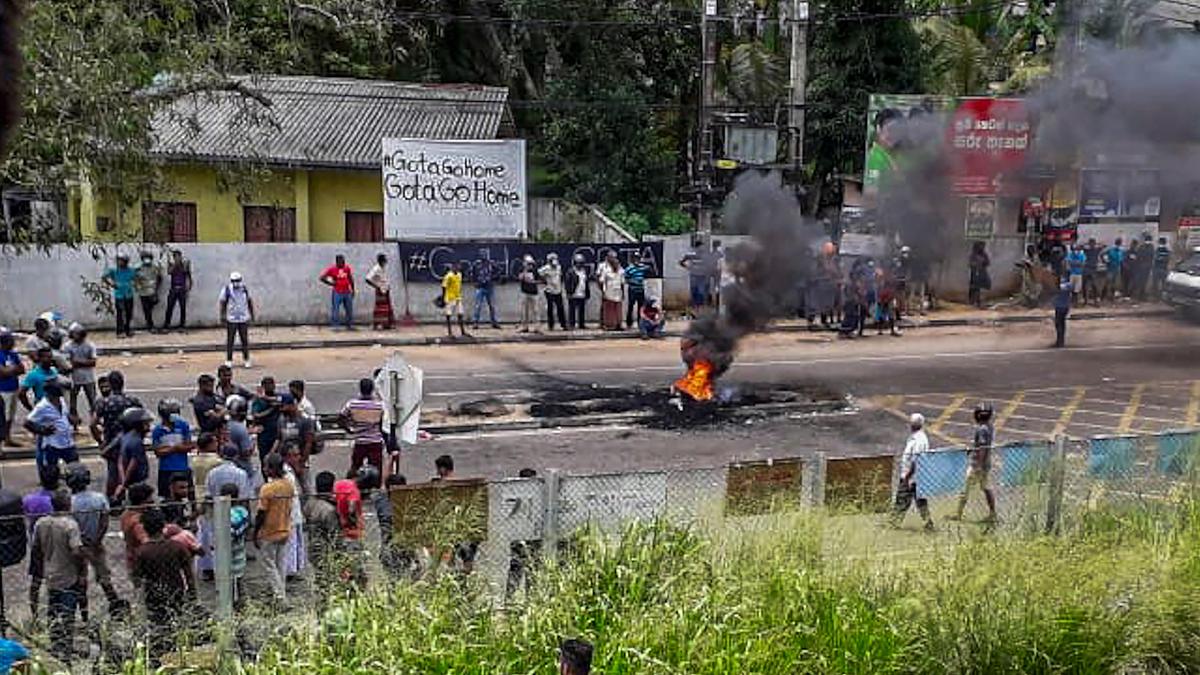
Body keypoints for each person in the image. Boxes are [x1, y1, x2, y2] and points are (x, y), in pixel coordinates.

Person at [132, 506, 197, 661]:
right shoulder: (177, 547)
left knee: (159, 625)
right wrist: (193, 593)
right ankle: (179, 652)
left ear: (145, 529)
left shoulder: (142, 552)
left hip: (153, 594)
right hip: (176, 591)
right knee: (179, 622)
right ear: (163, 526)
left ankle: (161, 654)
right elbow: (188, 573)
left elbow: (137, 578)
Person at [66, 465, 128, 621]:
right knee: (104, 577)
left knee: (81, 580)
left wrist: (83, 540)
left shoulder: (70, 502)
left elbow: (71, 526)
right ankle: (115, 605)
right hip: (96, 543)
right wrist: (97, 539)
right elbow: (104, 521)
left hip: (79, 545)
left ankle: (84, 615)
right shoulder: (99, 498)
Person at [29, 488, 84, 662]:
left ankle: (55, 645)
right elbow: (76, 551)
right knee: (67, 613)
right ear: (68, 504)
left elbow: (36, 548)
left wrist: (38, 570)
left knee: (53, 611)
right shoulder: (70, 525)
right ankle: (66, 649)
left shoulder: (41, 523)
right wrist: (81, 571)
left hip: (50, 573)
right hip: (68, 574)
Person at [199, 440, 252, 581]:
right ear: (236, 456)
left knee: (217, 547)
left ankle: (218, 575)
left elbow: (208, 496)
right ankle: (235, 578)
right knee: (236, 548)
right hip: (237, 514)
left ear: (221, 455)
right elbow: (244, 498)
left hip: (216, 513)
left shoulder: (212, 473)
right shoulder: (241, 474)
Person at [90, 370, 142, 501]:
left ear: (111, 385)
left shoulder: (103, 402)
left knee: (113, 474)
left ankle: (112, 501)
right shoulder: (132, 400)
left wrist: (100, 441)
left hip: (111, 444)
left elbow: (92, 424)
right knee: (132, 473)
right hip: (130, 443)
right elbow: (143, 418)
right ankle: (134, 499)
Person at [253, 453, 294, 601]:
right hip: (284, 528)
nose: (264, 469)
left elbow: (261, 512)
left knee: (270, 566)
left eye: (266, 466)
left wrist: (255, 532)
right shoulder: (288, 485)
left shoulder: (267, 489)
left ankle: (280, 596)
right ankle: (280, 592)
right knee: (280, 565)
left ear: (271, 469)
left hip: (269, 532)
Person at [953, 402, 997, 525]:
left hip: (978, 464)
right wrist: (973, 450)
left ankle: (958, 514)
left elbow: (982, 448)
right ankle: (993, 513)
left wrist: (978, 465)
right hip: (986, 463)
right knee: (986, 488)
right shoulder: (989, 426)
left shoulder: (981, 429)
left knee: (965, 489)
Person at [890, 413, 933, 531]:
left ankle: (893, 522)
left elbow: (916, 460)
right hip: (914, 476)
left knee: (902, 499)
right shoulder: (915, 437)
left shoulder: (919, 439)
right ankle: (928, 523)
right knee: (920, 501)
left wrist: (907, 477)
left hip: (912, 476)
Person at [24, 380, 76, 474]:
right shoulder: (42, 407)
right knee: (51, 471)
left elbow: (65, 415)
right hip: (52, 445)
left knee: (75, 468)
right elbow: (27, 423)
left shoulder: (61, 401)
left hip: (67, 442)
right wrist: (42, 430)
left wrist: (71, 419)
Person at [304, 471, 342, 593]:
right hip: (325, 550)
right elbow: (334, 534)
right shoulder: (329, 510)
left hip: (313, 547)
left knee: (320, 578)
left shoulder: (310, 503)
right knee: (328, 580)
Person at [151, 398, 194, 501]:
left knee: (189, 494)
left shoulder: (183, 426)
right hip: (166, 470)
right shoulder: (158, 430)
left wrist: (169, 449)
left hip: (182, 468)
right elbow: (158, 452)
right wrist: (175, 448)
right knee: (167, 498)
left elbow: (189, 446)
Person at [341, 378, 385, 474]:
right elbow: (384, 422)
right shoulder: (380, 405)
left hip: (360, 441)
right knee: (376, 468)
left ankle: (353, 485)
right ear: (372, 389)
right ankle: (376, 486)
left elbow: (341, 417)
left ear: (360, 389)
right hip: (375, 441)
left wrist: (349, 429)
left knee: (356, 466)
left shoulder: (352, 404)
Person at [218, 482, 251, 608]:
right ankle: (242, 604)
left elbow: (228, 536)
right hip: (240, 553)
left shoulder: (226, 515)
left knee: (229, 585)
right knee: (239, 581)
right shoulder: (243, 511)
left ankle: (231, 605)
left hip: (229, 556)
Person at [274, 394, 315, 491]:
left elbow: (308, 443)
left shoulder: (305, 420)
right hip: (285, 460)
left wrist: (301, 462)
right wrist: (272, 454)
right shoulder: (281, 420)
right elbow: (279, 439)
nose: (281, 409)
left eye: (283, 407)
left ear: (292, 405)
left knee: (306, 488)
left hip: (299, 458)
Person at [280, 443, 308, 579]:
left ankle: (293, 568)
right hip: (289, 514)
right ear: (287, 457)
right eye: (295, 455)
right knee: (291, 543)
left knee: (296, 542)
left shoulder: (291, 472)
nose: (298, 458)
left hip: (295, 513)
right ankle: (289, 570)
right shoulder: (286, 475)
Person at [116, 406, 154, 501]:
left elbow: (120, 460)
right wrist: (123, 484)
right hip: (137, 481)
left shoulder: (125, 437)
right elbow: (133, 464)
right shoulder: (136, 442)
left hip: (129, 481)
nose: (148, 427)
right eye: (146, 424)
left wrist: (122, 480)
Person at [219, 271, 255, 369]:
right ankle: (229, 360)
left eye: (238, 280)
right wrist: (222, 315)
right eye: (234, 281)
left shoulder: (245, 289)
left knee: (244, 340)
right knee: (230, 340)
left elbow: (249, 301)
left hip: (243, 318)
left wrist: (252, 315)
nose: (236, 283)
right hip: (232, 318)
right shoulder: (227, 289)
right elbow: (222, 302)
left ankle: (246, 359)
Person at [64, 324, 97, 425]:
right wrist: (84, 362)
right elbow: (69, 363)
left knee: (93, 401)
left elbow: (93, 362)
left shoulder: (90, 345)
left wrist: (77, 362)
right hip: (74, 378)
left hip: (88, 378)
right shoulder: (68, 346)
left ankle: (95, 420)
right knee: (72, 402)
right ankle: (74, 422)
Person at [119, 483, 153, 572]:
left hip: (131, 556)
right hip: (142, 560)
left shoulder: (126, 514)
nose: (152, 501)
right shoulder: (138, 521)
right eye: (150, 498)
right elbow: (145, 541)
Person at [103, 253, 137, 338]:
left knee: (129, 313)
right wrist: (112, 284)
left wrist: (133, 284)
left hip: (129, 294)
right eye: (118, 260)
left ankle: (127, 330)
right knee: (120, 314)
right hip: (119, 295)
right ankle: (119, 331)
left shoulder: (131, 270)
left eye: (121, 260)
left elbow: (136, 279)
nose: (120, 262)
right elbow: (104, 277)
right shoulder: (114, 270)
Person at [0, 328, 23, 448]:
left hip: (13, 388)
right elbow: (2, 373)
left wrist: (10, 370)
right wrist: (13, 369)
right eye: (10, 340)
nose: (13, 343)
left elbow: (22, 369)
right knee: (3, 416)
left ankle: (8, 437)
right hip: (2, 390)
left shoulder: (13, 354)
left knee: (11, 416)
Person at [250, 376, 281, 465]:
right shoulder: (258, 400)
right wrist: (271, 410)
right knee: (265, 459)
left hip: (277, 433)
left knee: (278, 458)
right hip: (264, 434)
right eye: (267, 385)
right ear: (263, 386)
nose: (270, 387)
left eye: (272, 384)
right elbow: (256, 415)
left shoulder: (277, 397)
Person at [320, 254, 356, 330]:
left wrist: (353, 289)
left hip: (347, 291)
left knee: (349, 309)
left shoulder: (347, 268)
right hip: (337, 292)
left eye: (344, 261)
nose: (343, 263)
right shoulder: (332, 269)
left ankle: (349, 325)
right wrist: (331, 284)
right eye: (341, 261)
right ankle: (335, 326)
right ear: (337, 262)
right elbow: (322, 278)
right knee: (335, 309)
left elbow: (350, 279)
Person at [681, 237, 714, 316]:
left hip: (702, 277)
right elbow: (681, 262)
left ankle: (700, 311)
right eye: (701, 247)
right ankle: (695, 311)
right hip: (694, 276)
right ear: (697, 247)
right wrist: (688, 268)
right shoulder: (690, 255)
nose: (702, 248)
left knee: (701, 294)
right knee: (694, 293)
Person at [163, 249, 193, 332]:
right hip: (173, 288)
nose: (177, 258)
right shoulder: (171, 265)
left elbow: (188, 274)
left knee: (183, 308)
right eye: (175, 256)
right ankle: (166, 325)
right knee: (169, 307)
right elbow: (169, 272)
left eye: (178, 256)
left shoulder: (184, 264)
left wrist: (189, 286)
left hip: (182, 289)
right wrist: (175, 264)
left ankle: (182, 325)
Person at [134, 250, 163, 332]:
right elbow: (134, 279)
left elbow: (160, 278)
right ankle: (150, 326)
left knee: (150, 307)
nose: (147, 259)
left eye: (148, 257)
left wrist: (156, 289)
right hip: (143, 292)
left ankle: (150, 325)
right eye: (145, 257)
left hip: (152, 291)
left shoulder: (155, 267)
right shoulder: (138, 268)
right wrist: (137, 286)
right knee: (146, 309)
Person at [470, 258, 502, 329]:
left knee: (492, 305)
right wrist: (474, 282)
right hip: (480, 287)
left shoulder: (491, 264)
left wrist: (493, 279)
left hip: (489, 287)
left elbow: (499, 271)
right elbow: (472, 274)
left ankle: (494, 322)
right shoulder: (477, 265)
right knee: (478, 305)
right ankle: (475, 322)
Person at [597, 251, 626, 332]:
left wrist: (623, 293)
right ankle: (608, 325)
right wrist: (603, 291)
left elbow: (622, 283)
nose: (615, 264)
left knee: (618, 309)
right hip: (609, 292)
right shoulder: (606, 270)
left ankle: (618, 324)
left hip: (618, 292)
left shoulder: (621, 270)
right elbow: (601, 281)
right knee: (608, 309)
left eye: (617, 263)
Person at [365, 253, 394, 330]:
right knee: (380, 309)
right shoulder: (376, 269)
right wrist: (376, 286)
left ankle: (386, 324)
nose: (386, 262)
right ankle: (379, 324)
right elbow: (367, 279)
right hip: (380, 290)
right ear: (382, 261)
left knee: (387, 308)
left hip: (385, 289)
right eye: (385, 260)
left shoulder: (383, 268)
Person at [539, 252, 567, 331]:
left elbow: (560, 276)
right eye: (552, 260)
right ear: (549, 261)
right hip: (549, 291)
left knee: (560, 308)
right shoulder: (546, 268)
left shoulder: (559, 267)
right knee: (550, 309)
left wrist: (561, 286)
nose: (554, 262)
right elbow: (539, 273)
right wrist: (544, 281)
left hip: (558, 290)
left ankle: (563, 325)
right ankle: (551, 325)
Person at [442, 261, 470, 339]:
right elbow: (444, 287)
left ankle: (463, 332)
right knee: (449, 315)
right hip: (450, 297)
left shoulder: (459, 275)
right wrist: (443, 298)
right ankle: (450, 332)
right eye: (456, 266)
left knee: (460, 314)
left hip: (458, 297)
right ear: (452, 267)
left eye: (459, 266)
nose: (458, 268)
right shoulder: (448, 276)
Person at [565, 254, 591, 330]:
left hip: (582, 293)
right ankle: (571, 324)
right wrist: (568, 293)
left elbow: (586, 282)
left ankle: (581, 324)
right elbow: (567, 283)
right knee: (572, 310)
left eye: (581, 263)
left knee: (582, 311)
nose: (580, 264)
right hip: (573, 293)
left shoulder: (584, 271)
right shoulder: (570, 271)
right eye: (578, 263)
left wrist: (587, 293)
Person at [623, 252, 648, 329]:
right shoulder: (629, 268)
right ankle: (629, 323)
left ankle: (640, 323)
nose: (637, 260)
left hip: (641, 289)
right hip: (633, 289)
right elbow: (626, 279)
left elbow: (648, 272)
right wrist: (633, 281)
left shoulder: (642, 267)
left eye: (638, 258)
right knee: (630, 306)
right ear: (632, 259)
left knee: (641, 307)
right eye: (635, 258)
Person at [517, 255, 540, 333]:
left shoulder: (535, 270)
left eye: (530, 264)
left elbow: (540, 280)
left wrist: (533, 282)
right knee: (524, 311)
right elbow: (520, 278)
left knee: (535, 311)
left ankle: (536, 327)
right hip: (524, 292)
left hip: (534, 293)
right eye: (528, 263)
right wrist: (525, 270)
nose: (530, 265)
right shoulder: (522, 270)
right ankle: (525, 327)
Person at [968, 241, 990, 309]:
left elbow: (987, 262)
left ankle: (980, 302)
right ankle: (974, 302)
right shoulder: (973, 255)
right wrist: (976, 265)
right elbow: (971, 264)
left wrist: (982, 263)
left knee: (983, 287)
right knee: (975, 287)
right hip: (975, 273)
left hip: (982, 272)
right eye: (981, 245)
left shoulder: (984, 254)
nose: (982, 247)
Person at [1053, 272, 1072, 349]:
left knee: (1058, 324)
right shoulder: (1069, 285)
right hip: (1065, 306)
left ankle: (1060, 341)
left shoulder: (1058, 286)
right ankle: (1061, 341)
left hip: (1060, 307)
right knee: (1062, 324)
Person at [1082, 238, 1102, 306]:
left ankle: (1096, 300)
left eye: (1093, 243)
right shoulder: (1087, 250)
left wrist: (1097, 244)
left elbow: (1104, 245)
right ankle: (1085, 300)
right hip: (1087, 268)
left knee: (1094, 286)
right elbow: (1080, 246)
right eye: (1091, 243)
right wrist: (1086, 244)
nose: (1092, 245)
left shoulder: (1097, 250)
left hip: (1093, 269)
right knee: (1085, 285)